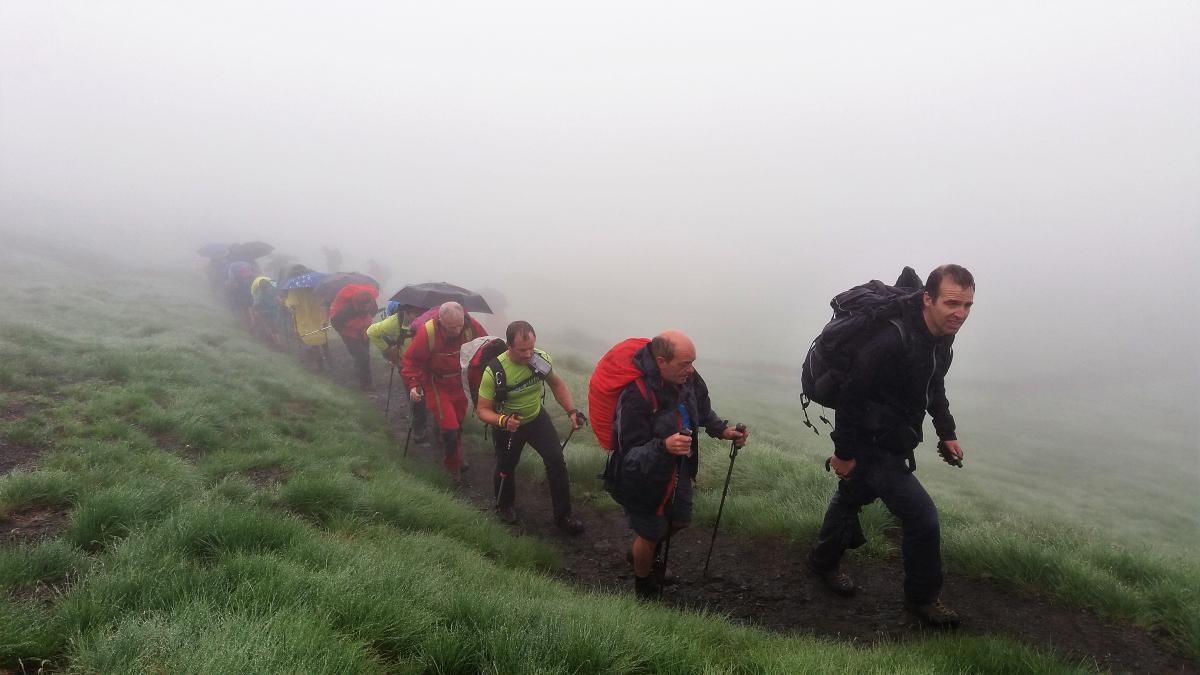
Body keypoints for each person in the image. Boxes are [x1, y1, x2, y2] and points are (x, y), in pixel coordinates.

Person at [807, 264, 975, 628]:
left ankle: (822, 562)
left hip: (893, 435)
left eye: (966, 305)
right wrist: (845, 453)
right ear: (927, 299)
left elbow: (934, 384)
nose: (960, 314)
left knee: (853, 495)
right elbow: (852, 396)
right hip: (872, 441)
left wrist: (946, 431)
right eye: (951, 303)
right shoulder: (891, 339)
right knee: (923, 518)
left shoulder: (940, 337)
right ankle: (923, 599)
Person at [602, 330, 748, 599]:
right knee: (650, 532)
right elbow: (629, 456)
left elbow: (701, 408)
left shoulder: (687, 379)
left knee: (680, 520)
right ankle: (643, 588)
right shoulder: (636, 395)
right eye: (684, 364)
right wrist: (663, 446)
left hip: (677, 470)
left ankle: (640, 554)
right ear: (661, 361)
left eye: (692, 362)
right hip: (643, 480)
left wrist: (722, 430)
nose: (691, 370)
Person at [475, 321, 585, 534]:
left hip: (536, 418)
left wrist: (572, 411)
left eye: (531, 348)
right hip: (508, 424)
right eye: (522, 349)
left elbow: (556, 383)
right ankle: (504, 506)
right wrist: (503, 421)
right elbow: (482, 410)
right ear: (509, 346)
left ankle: (564, 516)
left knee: (556, 461)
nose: (528, 354)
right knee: (506, 467)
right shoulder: (494, 371)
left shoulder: (540, 360)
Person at [401, 302, 487, 477]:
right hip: (437, 384)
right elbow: (411, 361)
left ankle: (454, 449)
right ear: (440, 321)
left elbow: (487, 346)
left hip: (461, 382)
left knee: (457, 422)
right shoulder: (428, 332)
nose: (456, 331)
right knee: (450, 427)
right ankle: (452, 465)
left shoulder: (471, 326)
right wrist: (413, 384)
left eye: (459, 326)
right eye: (450, 327)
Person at [368, 302, 429, 436]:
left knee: (427, 395)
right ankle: (419, 430)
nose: (419, 318)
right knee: (416, 396)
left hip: (427, 364)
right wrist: (388, 350)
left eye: (421, 314)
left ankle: (424, 420)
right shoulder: (394, 322)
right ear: (406, 312)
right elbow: (371, 331)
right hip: (406, 365)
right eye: (416, 314)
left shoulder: (429, 319)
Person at [329, 283, 379, 389]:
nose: (366, 308)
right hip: (349, 335)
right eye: (363, 307)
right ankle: (366, 384)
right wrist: (352, 325)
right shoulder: (346, 310)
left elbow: (374, 312)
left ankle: (358, 371)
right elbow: (336, 324)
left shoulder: (371, 303)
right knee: (363, 356)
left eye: (367, 306)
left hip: (365, 331)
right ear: (356, 304)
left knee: (363, 354)